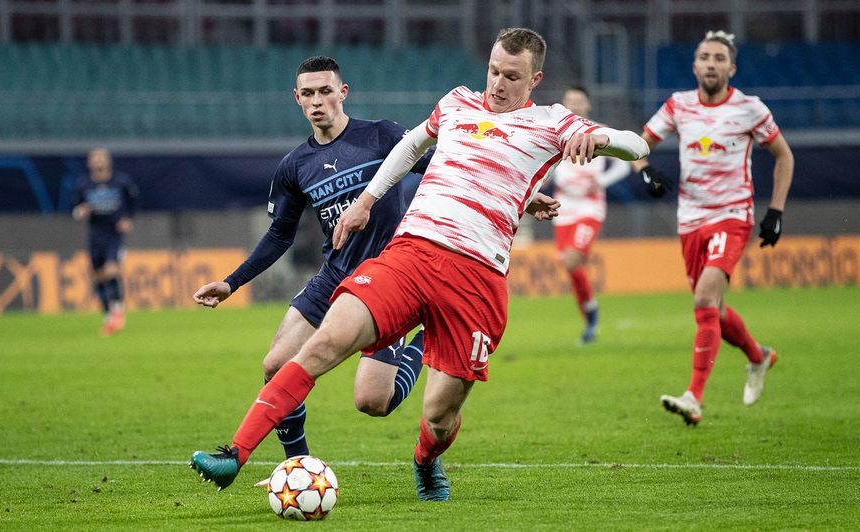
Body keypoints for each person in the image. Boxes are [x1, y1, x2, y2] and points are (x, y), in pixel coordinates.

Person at [189, 27, 649, 501]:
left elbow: (637, 146)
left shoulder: (554, 122)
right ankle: (235, 453)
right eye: (493, 71)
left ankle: (426, 460)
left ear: (534, 79)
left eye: (511, 76)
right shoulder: (456, 103)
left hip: (477, 279)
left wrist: (602, 141)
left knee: (438, 415)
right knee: (324, 342)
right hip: (411, 254)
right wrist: (366, 201)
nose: (497, 83)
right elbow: (410, 147)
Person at [191, 56, 430, 462]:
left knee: (374, 401)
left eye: (325, 91)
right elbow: (280, 234)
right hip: (334, 277)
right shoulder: (294, 167)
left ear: (343, 92)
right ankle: (296, 464)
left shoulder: (382, 136)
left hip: (388, 281)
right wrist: (232, 282)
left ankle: (426, 340)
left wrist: (523, 200)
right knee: (275, 364)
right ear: (296, 99)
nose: (317, 101)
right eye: (308, 93)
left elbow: (444, 169)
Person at [630, 31, 794, 426]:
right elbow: (638, 144)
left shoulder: (750, 109)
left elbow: (783, 155)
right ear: (694, 65)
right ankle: (759, 357)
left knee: (704, 299)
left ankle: (693, 398)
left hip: (732, 216)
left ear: (731, 68)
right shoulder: (678, 105)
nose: (711, 64)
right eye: (704, 57)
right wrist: (646, 170)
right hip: (690, 221)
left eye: (719, 58)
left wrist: (776, 211)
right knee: (714, 312)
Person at [551, 86, 631, 344]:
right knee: (570, 267)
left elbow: (624, 162)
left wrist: (603, 181)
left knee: (573, 260)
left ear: (588, 105)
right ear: (563, 104)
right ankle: (589, 316)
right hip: (563, 208)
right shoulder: (555, 132)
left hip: (589, 206)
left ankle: (592, 313)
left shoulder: (599, 132)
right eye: (569, 101)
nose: (574, 106)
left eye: (579, 101)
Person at [71, 148, 138, 336]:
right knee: (98, 275)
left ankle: (118, 310)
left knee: (111, 269)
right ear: (89, 163)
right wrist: (80, 212)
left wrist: (128, 219)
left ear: (108, 161)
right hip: (95, 234)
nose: (98, 162)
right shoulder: (83, 184)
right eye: (95, 159)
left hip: (114, 234)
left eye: (101, 158)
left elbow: (134, 202)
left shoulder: (121, 182)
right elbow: (75, 208)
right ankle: (108, 313)